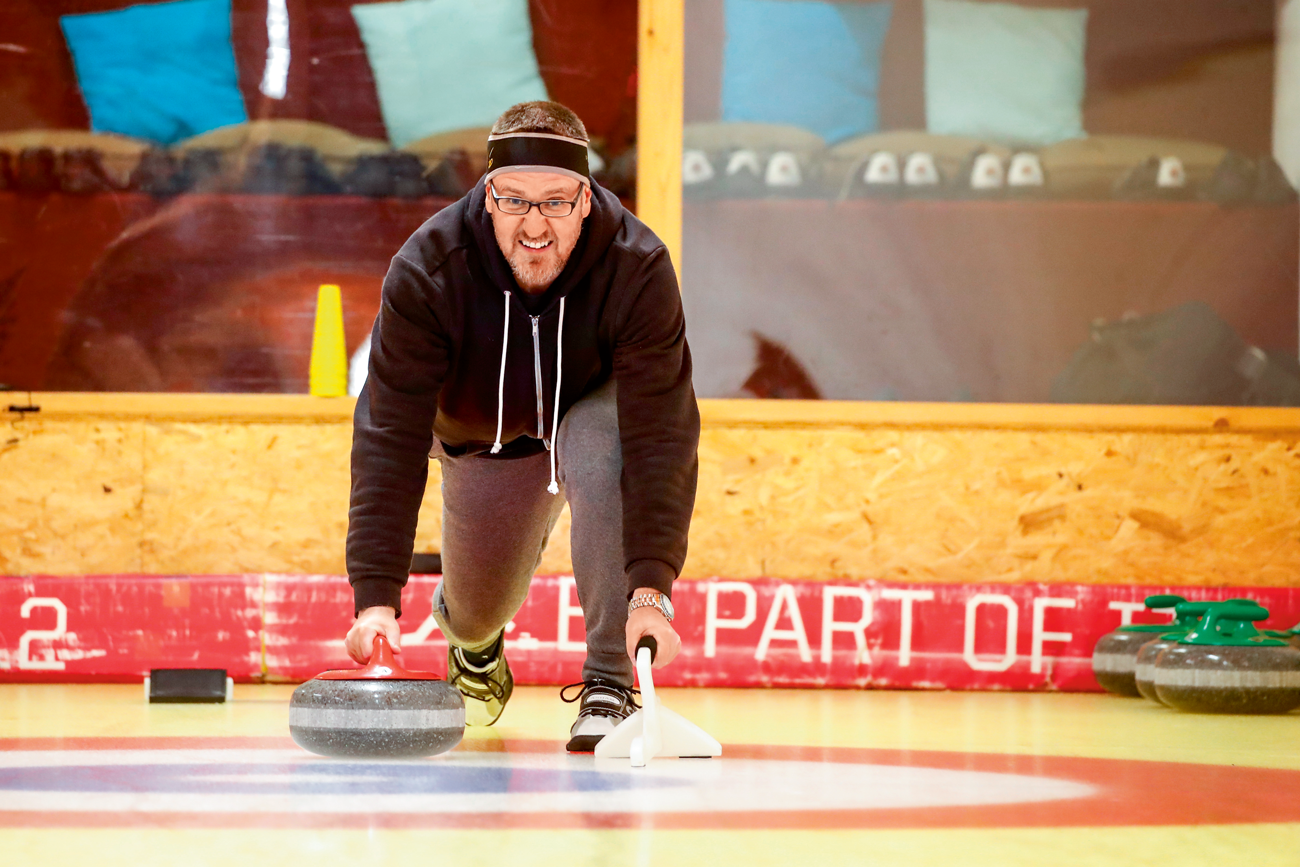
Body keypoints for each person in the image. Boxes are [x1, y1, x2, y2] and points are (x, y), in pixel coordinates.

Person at [342, 101, 699, 752]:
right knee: (476, 610)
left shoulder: (638, 266)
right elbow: (389, 432)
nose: (535, 225)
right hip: (485, 436)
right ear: (488, 195)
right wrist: (375, 596)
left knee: (601, 443)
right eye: (515, 201)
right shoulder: (429, 268)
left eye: (557, 202)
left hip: (594, 412)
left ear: (587, 199)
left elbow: (661, 434)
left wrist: (651, 590)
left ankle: (609, 685)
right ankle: (477, 650)